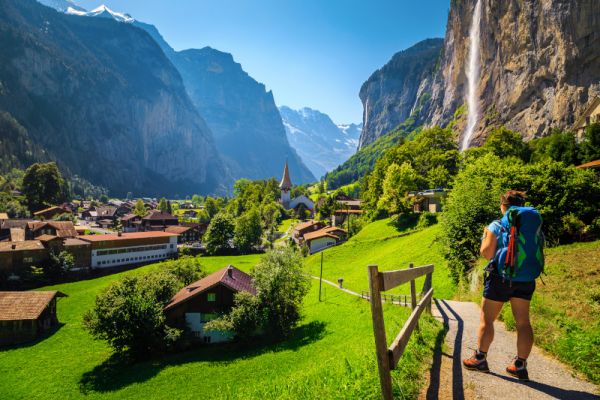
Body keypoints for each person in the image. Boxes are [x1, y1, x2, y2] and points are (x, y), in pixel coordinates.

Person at [463, 190, 543, 381]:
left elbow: (487, 253)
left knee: (487, 319)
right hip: (525, 277)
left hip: (500, 277)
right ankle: (520, 365)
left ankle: (480, 358)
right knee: (523, 322)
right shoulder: (531, 224)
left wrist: (485, 237)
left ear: (503, 206)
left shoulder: (497, 225)